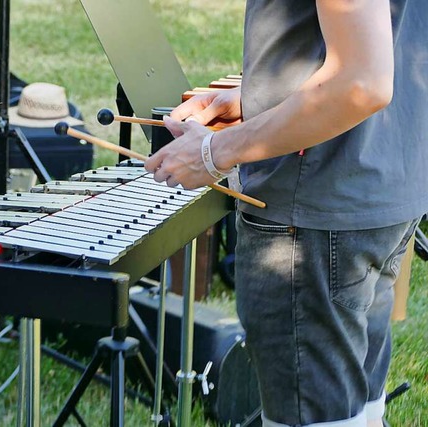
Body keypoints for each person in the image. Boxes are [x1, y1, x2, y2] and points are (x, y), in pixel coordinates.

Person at [145, 1, 427, 426]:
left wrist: (215, 151)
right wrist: (261, 98)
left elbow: (363, 83)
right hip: (381, 187)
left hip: (314, 213)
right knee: (359, 411)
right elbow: (381, 40)